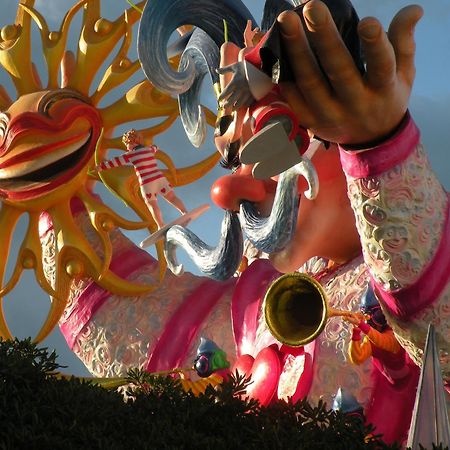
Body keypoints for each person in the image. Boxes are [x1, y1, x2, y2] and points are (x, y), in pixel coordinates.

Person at [96, 129, 188, 229]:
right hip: (159, 178)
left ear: (132, 142)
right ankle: (184, 212)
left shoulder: (130, 155)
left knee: (151, 204)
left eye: (126, 144)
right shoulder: (149, 149)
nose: (126, 147)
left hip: (147, 183)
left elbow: (116, 162)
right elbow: (155, 148)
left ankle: (161, 225)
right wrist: (155, 147)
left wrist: (101, 167)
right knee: (171, 197)